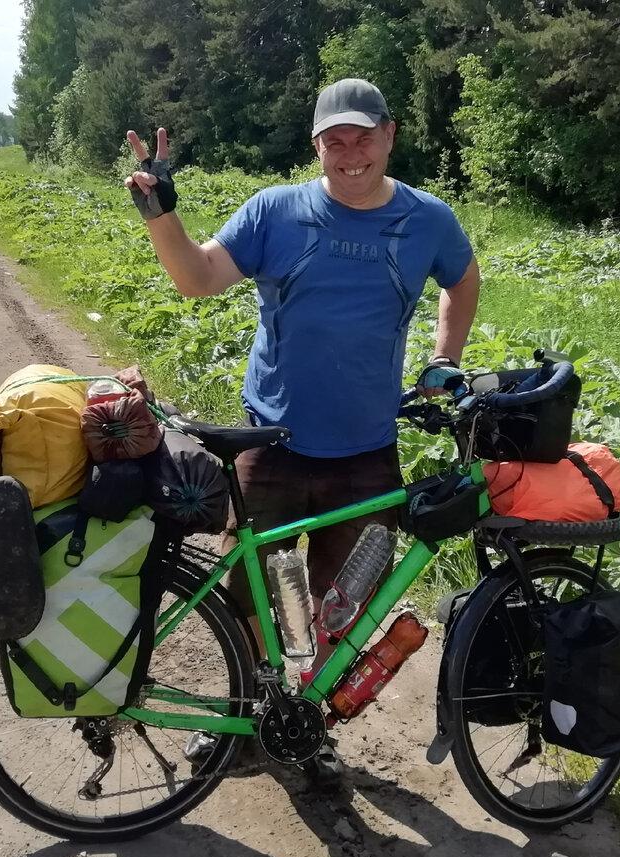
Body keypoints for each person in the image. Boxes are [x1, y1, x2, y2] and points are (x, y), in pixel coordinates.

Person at [125, 79, 479, 773]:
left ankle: (305, 724)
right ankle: (244, 720)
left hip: (367, 451)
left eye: (362, 137)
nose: (350, 153)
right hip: (272, 446)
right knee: (250, 595)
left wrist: (446, 358)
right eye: (333, 140)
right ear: (316, 146)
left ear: (390, 135)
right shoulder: (275, 211)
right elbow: (197, 277)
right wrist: (160, 213)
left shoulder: (427, 220)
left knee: (342, 606)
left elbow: (462, 281)